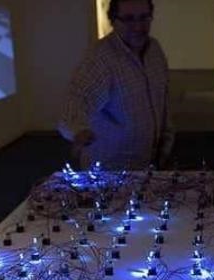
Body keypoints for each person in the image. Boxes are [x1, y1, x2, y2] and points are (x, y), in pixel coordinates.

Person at [58, 0, 174, 170]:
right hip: (110, 169)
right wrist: (78, 131)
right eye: (128, 19)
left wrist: (166, 141)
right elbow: (77, 99)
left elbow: (162, 101)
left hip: (149, 164)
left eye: (144, 17)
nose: (138, 26)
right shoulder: (100, 58)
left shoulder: (155, 51)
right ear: (113, 21)